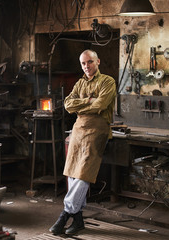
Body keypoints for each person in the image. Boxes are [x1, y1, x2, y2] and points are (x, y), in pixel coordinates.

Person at [49, 49, 116, 235]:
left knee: (83, 175)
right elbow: (68, 104)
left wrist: (84, 104)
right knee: (71, 172)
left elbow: (101, 105)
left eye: (90, 62)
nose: (87, 66)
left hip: (97, 130)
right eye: (83, 63)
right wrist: (89, 101)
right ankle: (78, 220)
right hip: (78, 131)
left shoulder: (107, 82)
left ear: (98, 61)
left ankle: (65, 214)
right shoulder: (79, 83)